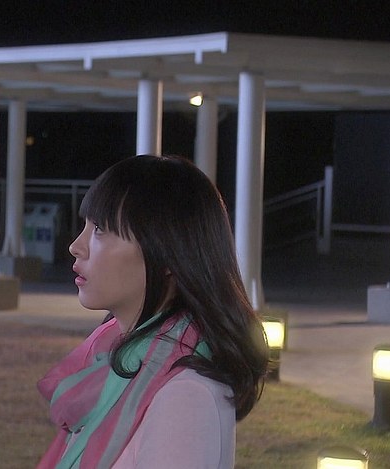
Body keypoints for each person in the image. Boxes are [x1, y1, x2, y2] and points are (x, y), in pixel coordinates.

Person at [36, 155, 269, 469]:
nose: (76, 246)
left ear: (168, 253)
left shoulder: (184, 395)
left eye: (100, 229)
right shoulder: (118, 361)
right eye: (85, 226)